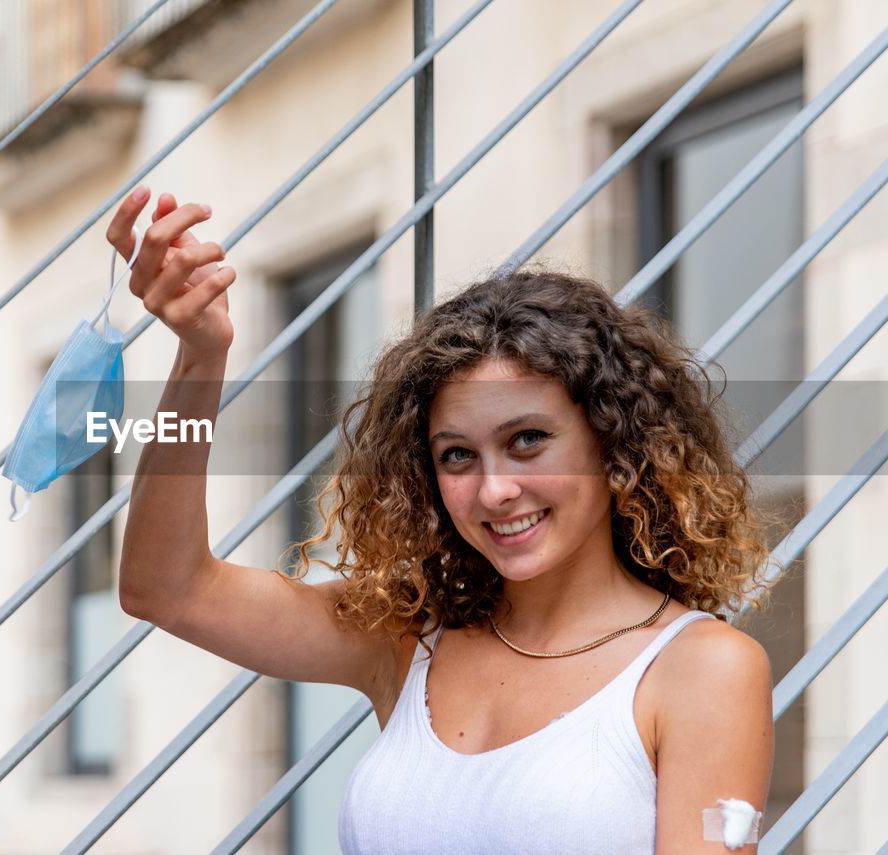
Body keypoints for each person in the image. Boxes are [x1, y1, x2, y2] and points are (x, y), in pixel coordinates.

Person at [106, 186, 775, 854]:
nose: (495, 489)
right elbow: (166, 588)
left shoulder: (702, 669)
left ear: (613, 445)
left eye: (528, 439)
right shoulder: (408, 637)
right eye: (458, 454)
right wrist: (200, 357)